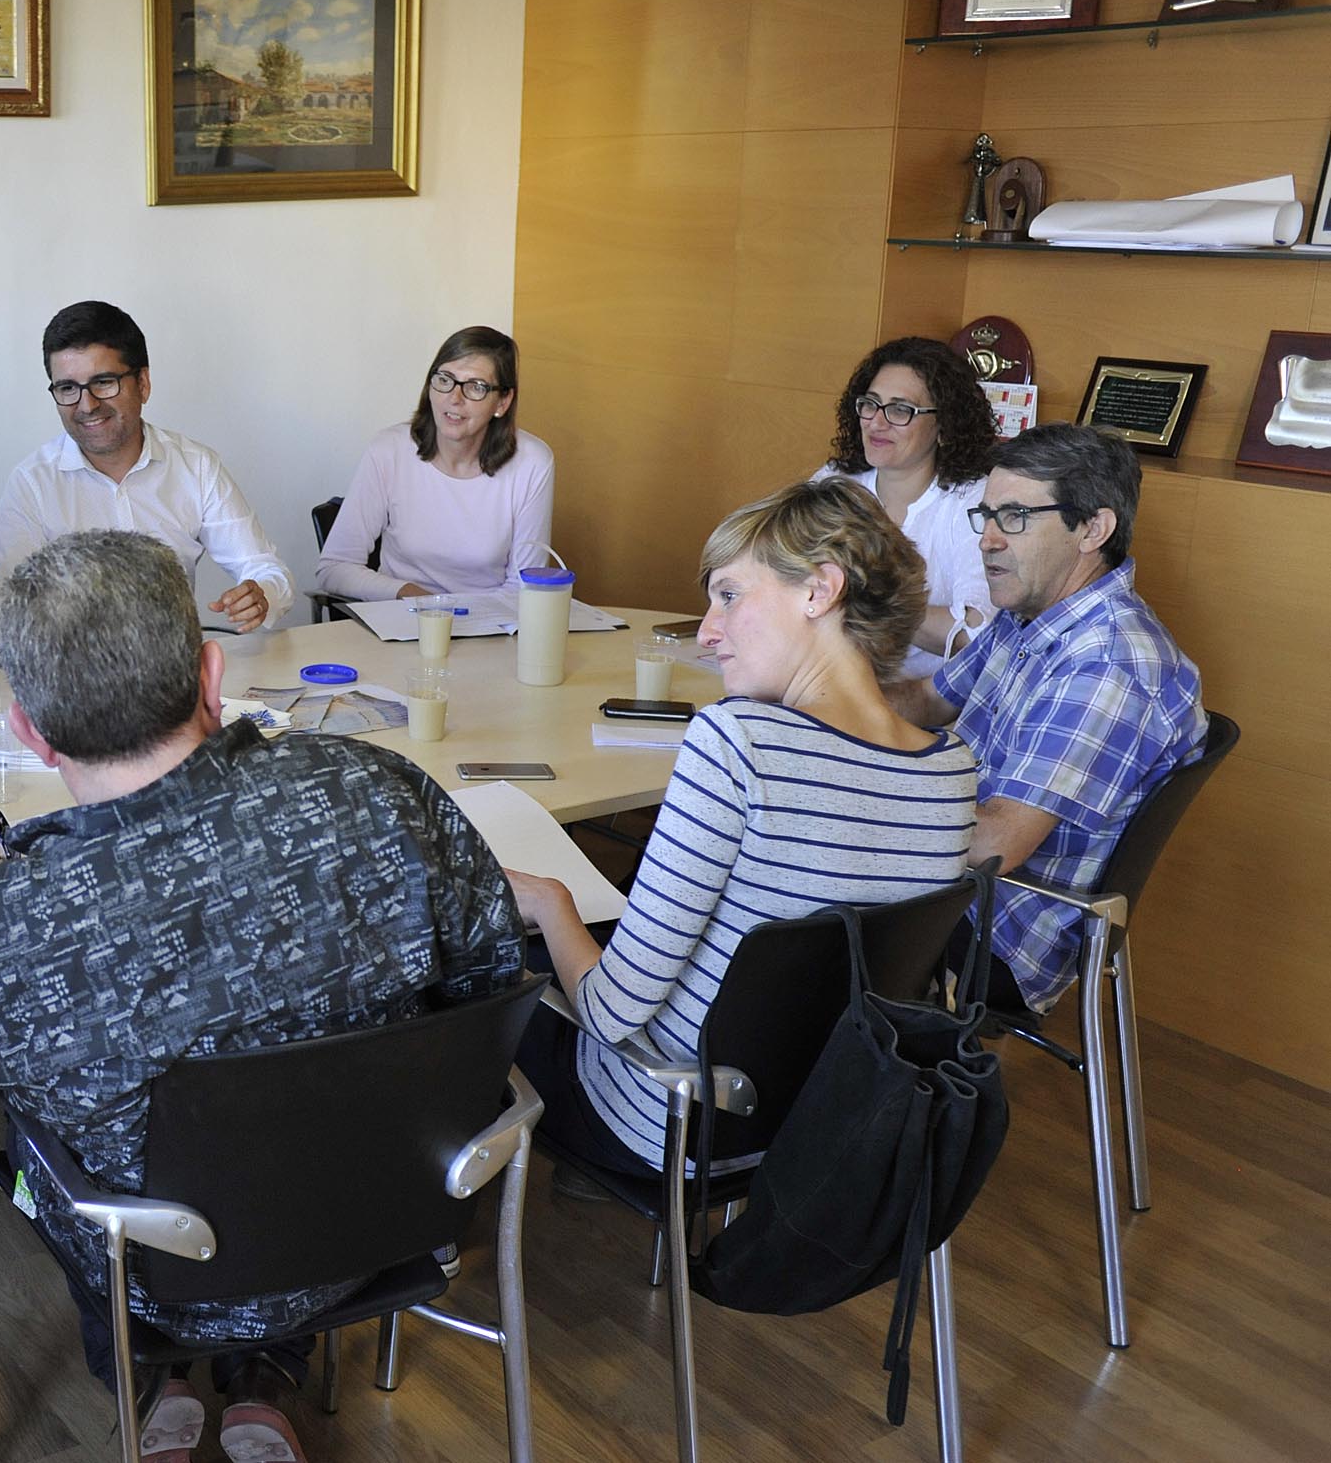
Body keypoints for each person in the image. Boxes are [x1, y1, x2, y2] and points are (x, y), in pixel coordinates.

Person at [0, 530, 525, 1463]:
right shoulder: (385, 791)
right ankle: (266, 1376)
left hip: (153, 1272)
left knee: (52, 1130)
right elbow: (489, 981)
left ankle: (159, 1379)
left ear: (29, 729)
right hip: (389, 1216)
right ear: (212, 674)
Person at [513, 479, 978, 1175]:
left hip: (671, 1121)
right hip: (822, 1119)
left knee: (472, 964)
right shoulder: (951, 769)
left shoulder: (737, 744)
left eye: (729, 595)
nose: (706, 631)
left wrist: (550, 902)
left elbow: (611, 1016)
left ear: (820, 591)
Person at [888, 424, 1204, 1015]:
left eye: (1013, 517)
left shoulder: (1107, 664)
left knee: (773, 887)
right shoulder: (1030, 612)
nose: (986, 540)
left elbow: (993, 846)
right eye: (985, 515)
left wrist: (856, 802)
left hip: (997, 927)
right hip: (959, 884)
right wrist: (809, 696)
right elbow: (927, 701)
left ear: (1092, 529)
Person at [0, 301, 294, 632]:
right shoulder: (32, 483)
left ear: (143, 384)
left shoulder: (195, 466)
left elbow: (265, 569)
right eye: (68, 388)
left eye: (104, 382)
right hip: (71, 673)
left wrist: (260, 595)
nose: (87, 404)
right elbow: (3, 613)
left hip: (172, 669)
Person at [314, 325, 556, 600]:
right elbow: (334, 567)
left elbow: (525, 587)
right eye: (445, 380)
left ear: (502, 401)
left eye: (475, 387)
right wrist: (408, 593)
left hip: (491, 628)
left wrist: (460, 619)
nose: (454, 398)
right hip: (401, 620)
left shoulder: (532, 463)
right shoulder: (389, 450)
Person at [813, 336, 998, 679]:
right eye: (871, 404)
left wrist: (864, 600)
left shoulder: (975, 501)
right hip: (825, 684)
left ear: (945, 428)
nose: (876, 422)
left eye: (901, 410)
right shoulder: (834, 482)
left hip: (928, 707)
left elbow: (977, 634)